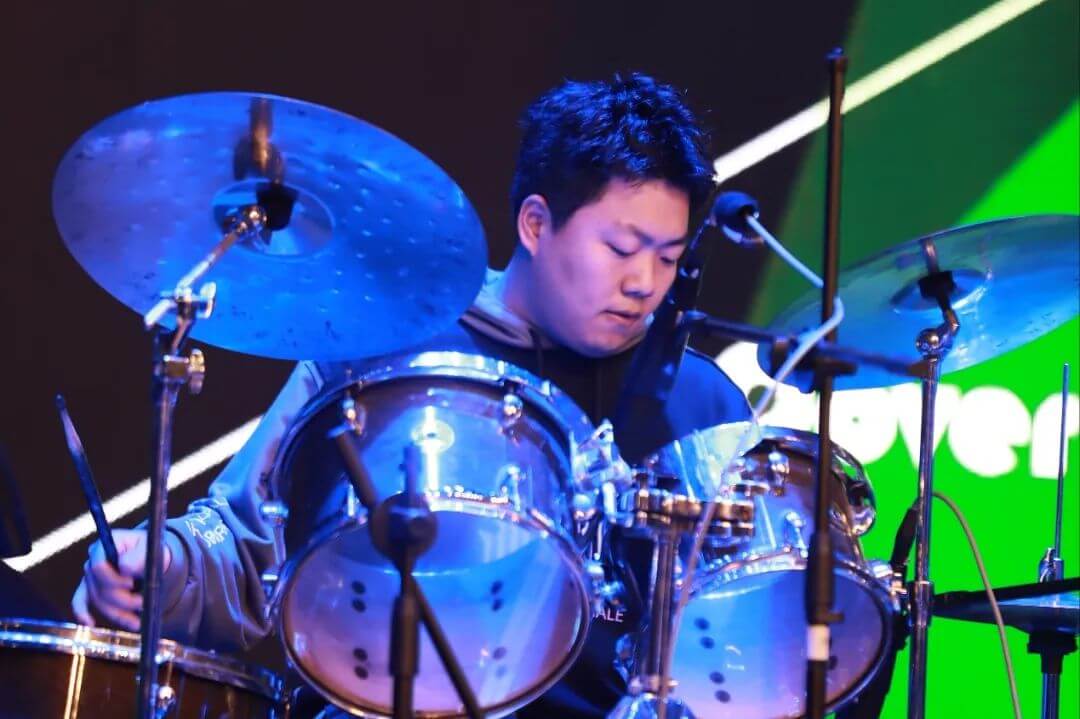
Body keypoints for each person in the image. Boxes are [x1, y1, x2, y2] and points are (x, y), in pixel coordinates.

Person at [72, 72, 751, 717]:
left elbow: (747, 641)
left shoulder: (704, 407)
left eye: (668, 258)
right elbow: (246, 544)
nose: (644, 283)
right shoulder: (387, 348)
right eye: (622, 248)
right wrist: (161, 565)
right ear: (536, 224)